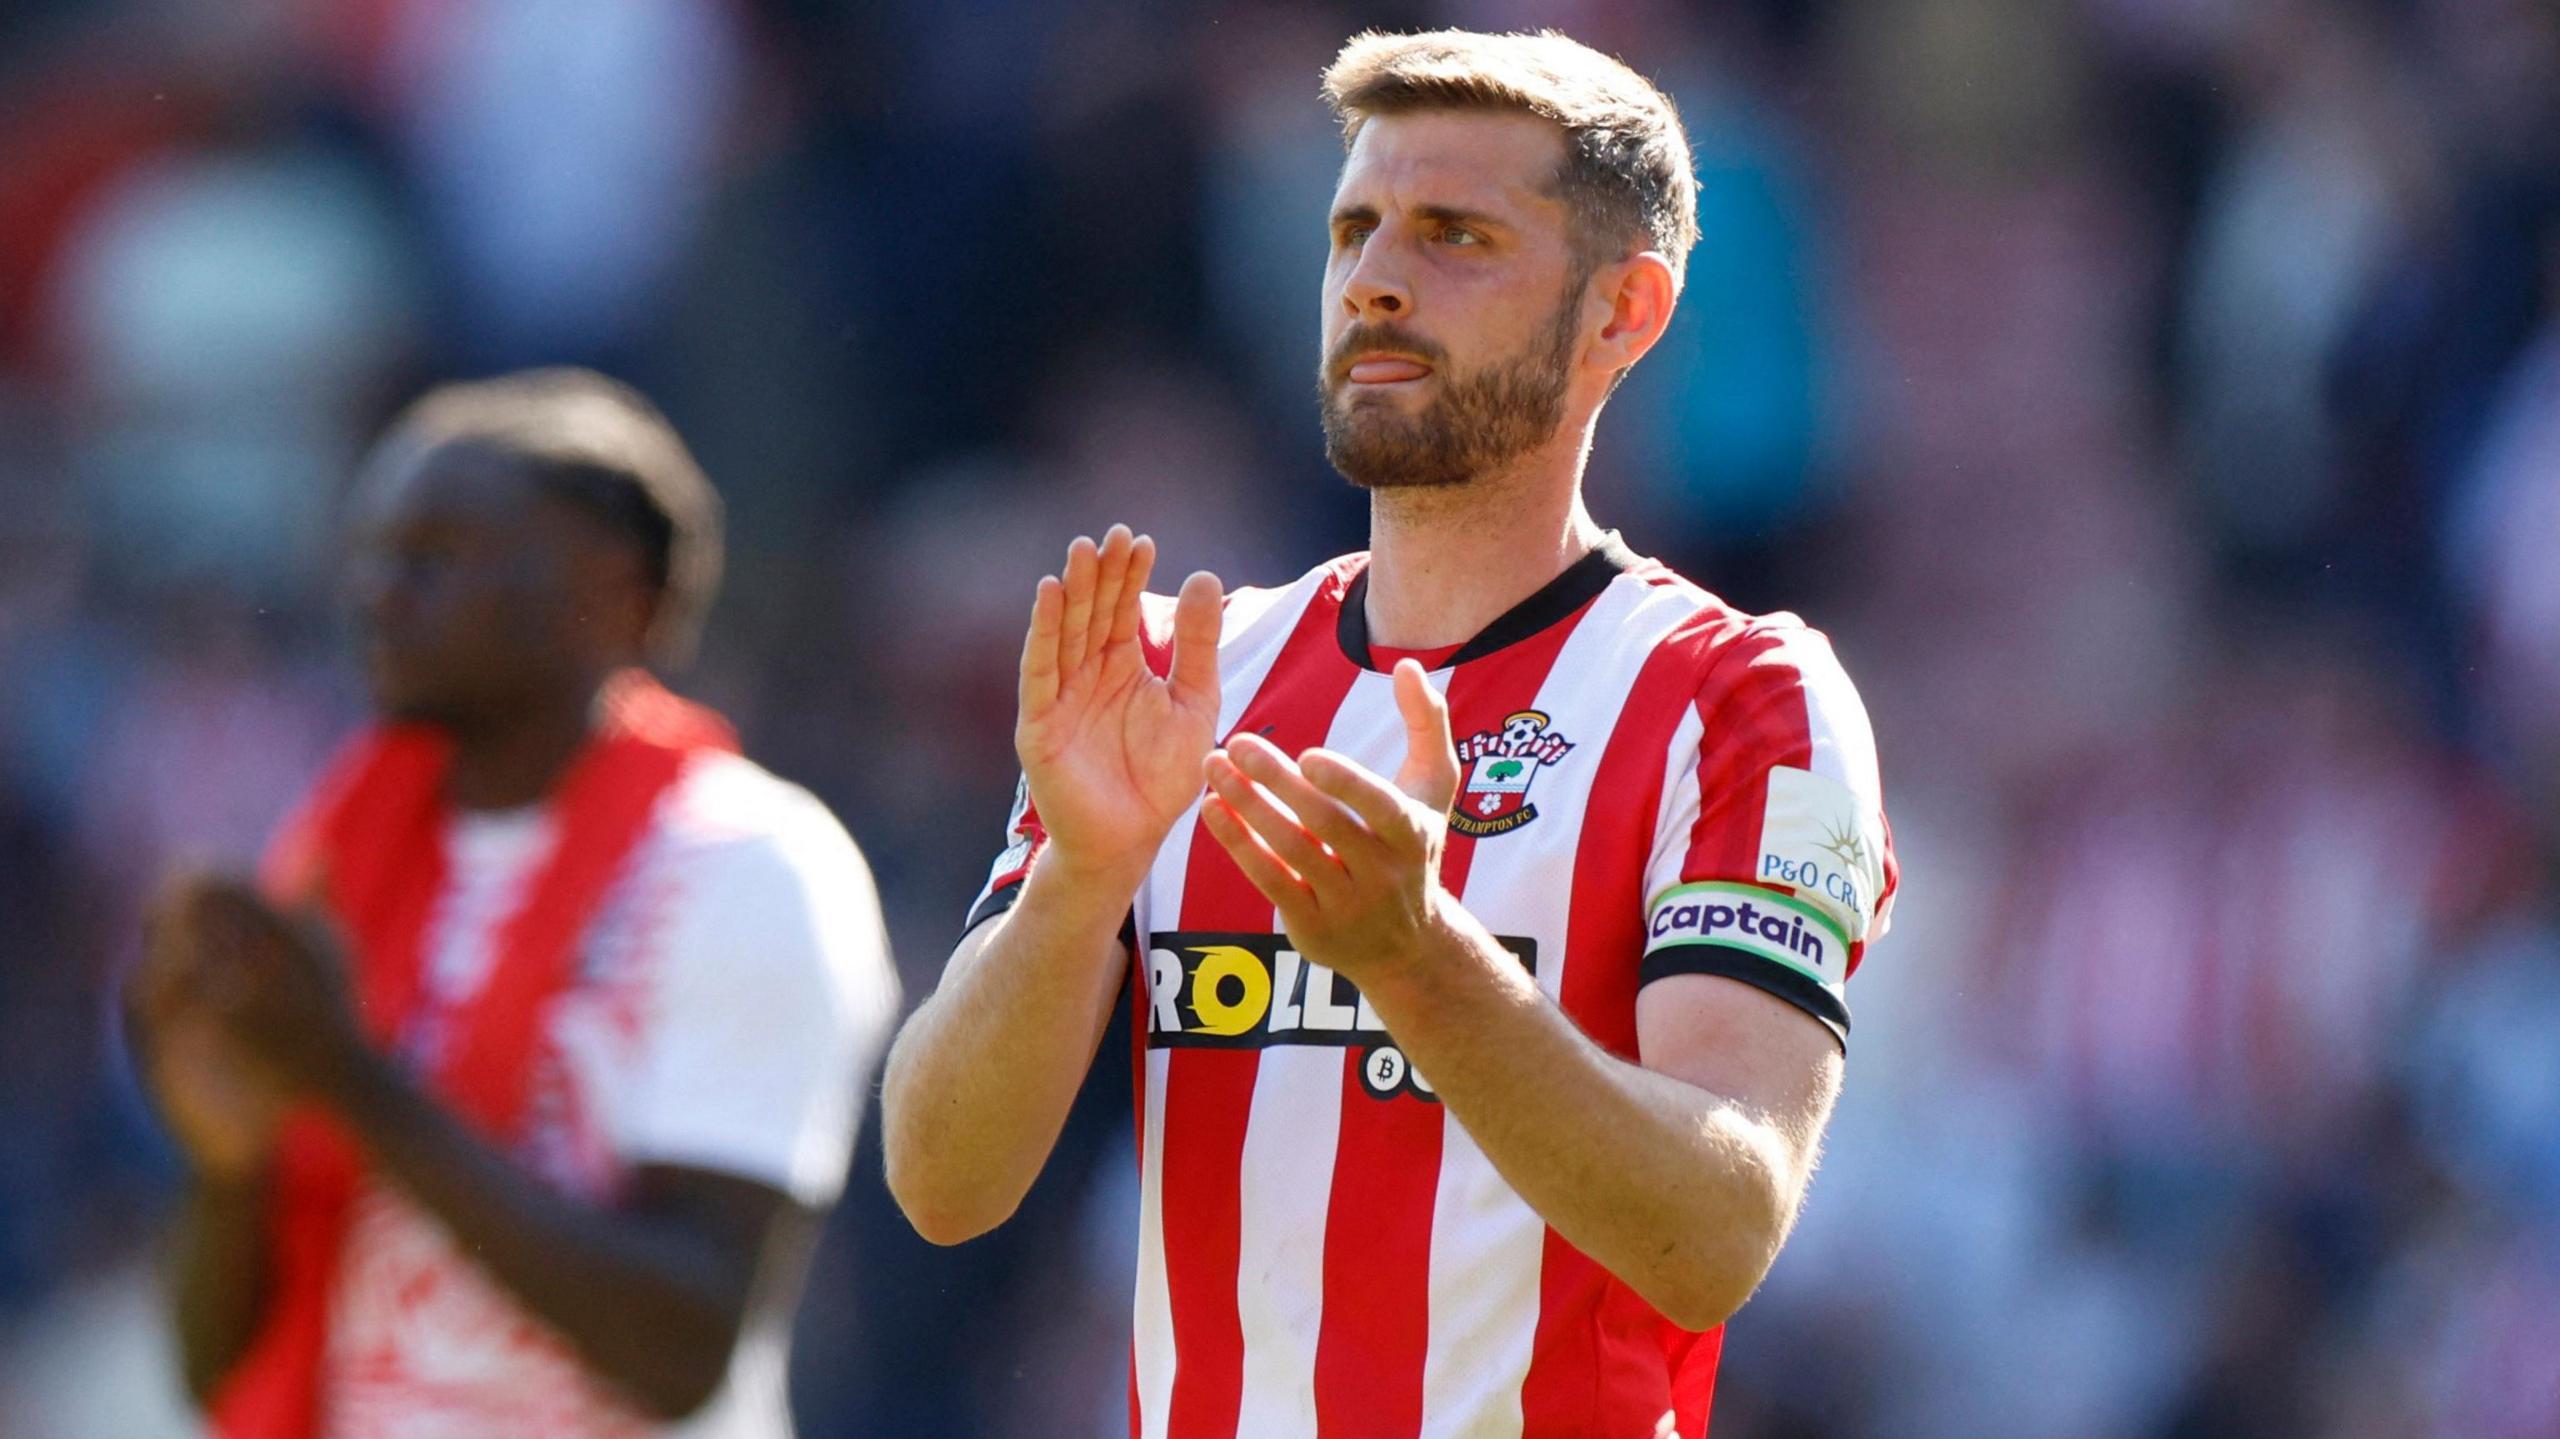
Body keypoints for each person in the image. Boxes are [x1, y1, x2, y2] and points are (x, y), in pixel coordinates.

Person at [881, 28, 1899, 1439]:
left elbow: (1716, 1230)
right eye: (1352, 226)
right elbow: (943, 1180)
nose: (1375, 276)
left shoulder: (1744, 699)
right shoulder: (1189, 673)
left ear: (1625, 311)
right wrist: (1079, 879)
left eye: (1456, 234)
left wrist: (1415, 955)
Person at [125, 369, 899, 1438]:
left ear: (618, 594)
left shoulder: (746, 866)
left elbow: (683, 1348)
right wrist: (228, 1160)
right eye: (372, 554)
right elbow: (216, 1371)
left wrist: (345, 1076)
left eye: (437, 555)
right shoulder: (340, 859)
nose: (380, 591)